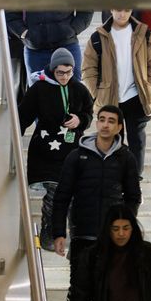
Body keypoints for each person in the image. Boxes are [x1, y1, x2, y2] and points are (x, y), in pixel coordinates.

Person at [51, 105, 142, 301]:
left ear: (119, 127)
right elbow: (62, 195)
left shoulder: (126, 158)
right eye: (101, 119)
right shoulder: (77, 155)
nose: (104, 124)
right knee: (79, 286)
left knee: (106, 287)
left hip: (110, 238)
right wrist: (59, 232)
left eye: (111, 121)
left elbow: (133, 197)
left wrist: (124, 226)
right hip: (82, 233)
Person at [17, 47, 94, 250]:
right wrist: (13, 138)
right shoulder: (39, 89)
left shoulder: (79, 89)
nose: (64, 77)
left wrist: (80, 120)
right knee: (54, 195)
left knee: (71, 196)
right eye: (60, 72)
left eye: (68, 72)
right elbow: (22, 116)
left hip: (72, 151)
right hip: (45, 152)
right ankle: (48, 237)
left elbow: (88, 112)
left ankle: (68, 237)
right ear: (52, 70)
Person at [82, 9, 151, 177]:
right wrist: (97, 94)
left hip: (136, 95)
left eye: (125, 9)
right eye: (118, 9)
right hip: (110, 97)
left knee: (137, 142)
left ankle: (135, 179)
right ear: (111, 9)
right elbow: (88, 69)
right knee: (113, 141)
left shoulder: (144, 33)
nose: (121, 14)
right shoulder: (98, 36)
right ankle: (116, 179)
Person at [5, 10, 94, 82]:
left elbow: (86, 8)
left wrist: (73, 29)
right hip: (35, 50)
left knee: (73, 96)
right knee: (38, 97)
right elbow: (10, 12)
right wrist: (24, 33)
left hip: (67, 45)